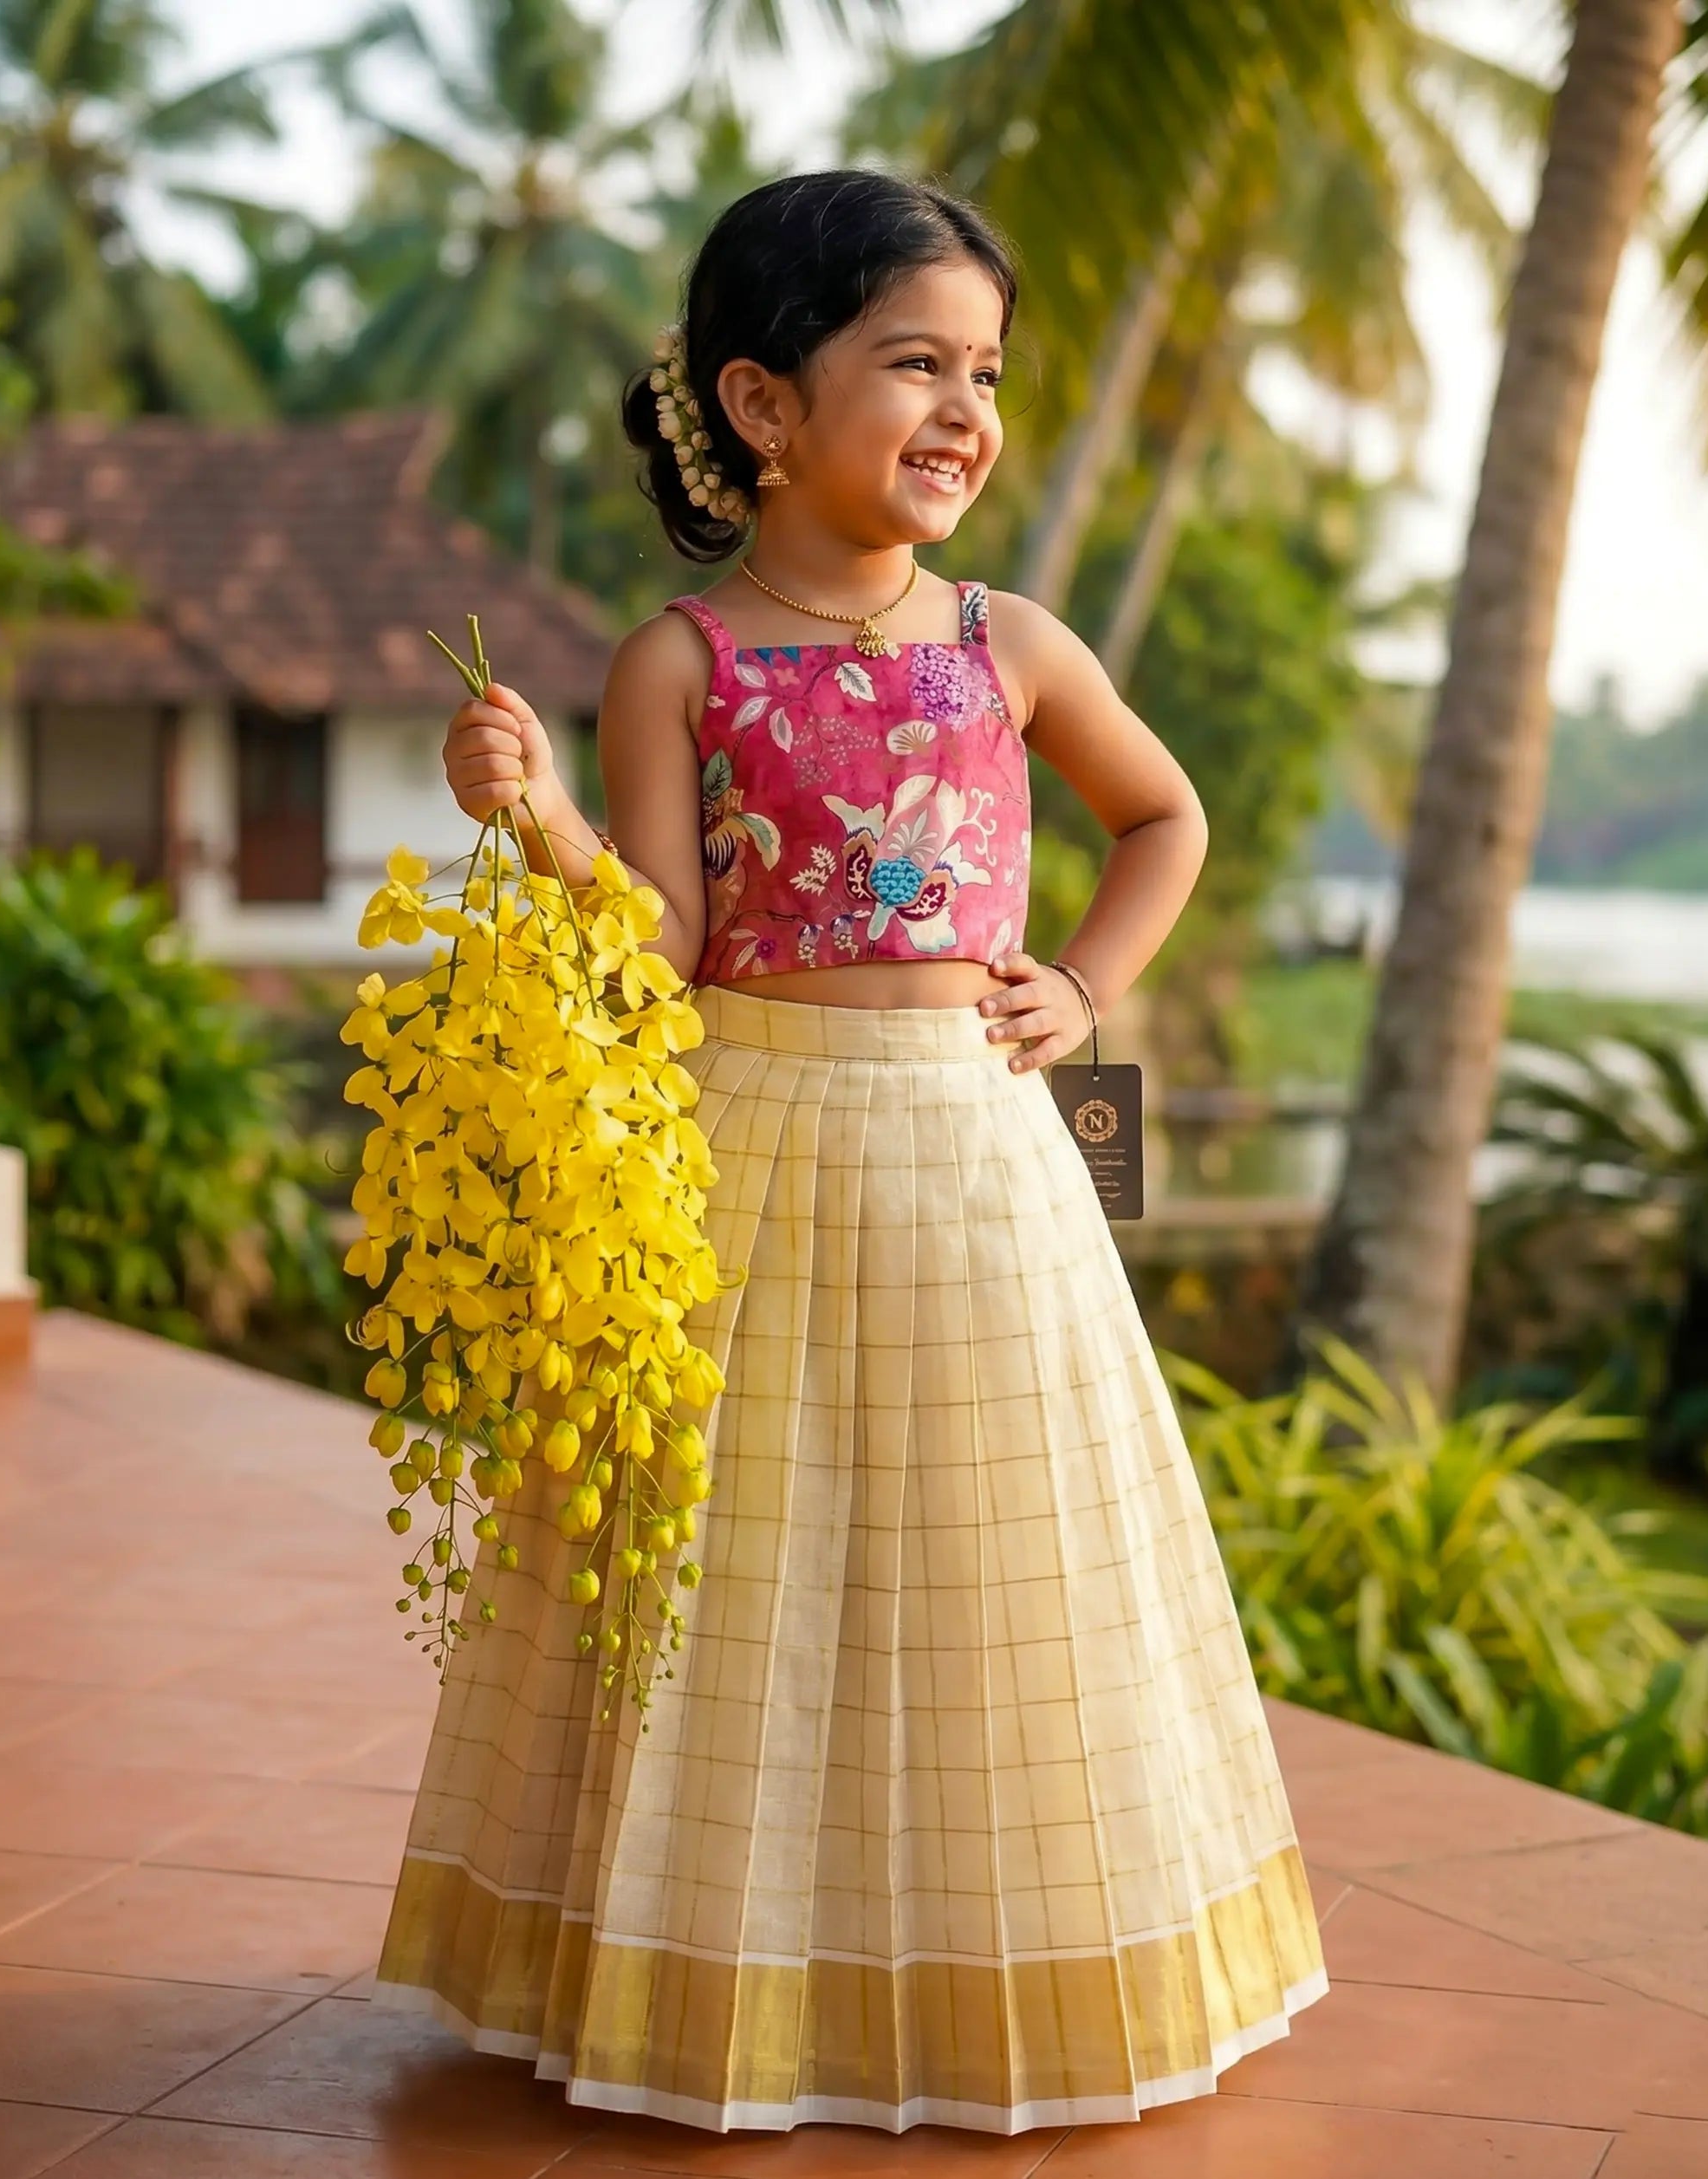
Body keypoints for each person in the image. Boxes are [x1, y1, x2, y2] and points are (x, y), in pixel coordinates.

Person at [373, 167, 1326, 2135]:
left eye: (983, 368)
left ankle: (999, 1971)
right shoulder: (682, 663)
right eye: (914, 360)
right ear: (760, 404)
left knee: (1001, 1562)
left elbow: (1167, 820)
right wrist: (536, 813)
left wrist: (1079, 987)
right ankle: (727, 1976)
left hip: (979, 1161)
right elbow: (654, 940)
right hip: (753, 1145)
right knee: (751, 1573)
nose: (966, 407)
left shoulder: (1010, 644)